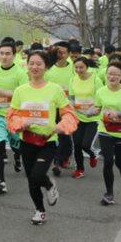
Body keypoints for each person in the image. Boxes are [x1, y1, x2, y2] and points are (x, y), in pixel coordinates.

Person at [7, 50, 78, 225]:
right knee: (31, 180)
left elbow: (69, 113)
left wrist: (60, 126)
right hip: (27, 141)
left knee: (38, 175)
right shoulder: (20, 90)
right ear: (27, 65)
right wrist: (20, 123)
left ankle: (49, 184)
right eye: (31, 63)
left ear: (46, 67)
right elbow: (12, 115)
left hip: (48, 141)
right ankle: (40, 210)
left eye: (39, 64)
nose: (34, 67)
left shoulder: (55, 89)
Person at [0, 40, 27, 195]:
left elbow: (24, 95)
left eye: (8, 54)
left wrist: (6, 94)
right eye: (1, 53)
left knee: (17, 146)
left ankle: (17, 156)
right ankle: (1, 181)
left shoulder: (21, 74)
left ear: (14, 55)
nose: (4, 57)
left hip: (15, 116)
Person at [93, 61, 121, 205]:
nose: (112, 77)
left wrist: (118, 113)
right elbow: (97, 108)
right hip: (105, 130)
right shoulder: (100, 92)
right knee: (108, 161)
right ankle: (109, 193)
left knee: (119, 162)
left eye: (115, 74)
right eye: (109, 74)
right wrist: (90, 111)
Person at [69, 57, 103, 179]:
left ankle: (93, 154)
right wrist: (72, 106)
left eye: (81, 67)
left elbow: (101, 98)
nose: (78, 70)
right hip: (78, 117)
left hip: (93, 118)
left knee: (85, 144)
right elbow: (71, 97)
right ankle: (79, 169)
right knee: (77, 144)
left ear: (87, 67)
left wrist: (94, 110)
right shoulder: (73, 79)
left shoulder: (96, 79)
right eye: (76, 67)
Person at [45, 42, 74, 175]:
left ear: (68, 54)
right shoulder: (49, 69)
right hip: (52, 108)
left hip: (68, 108)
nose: (60, 55)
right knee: (56, 134)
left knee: (65, 136)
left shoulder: (74, 68)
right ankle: (57, 162)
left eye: (63, 52)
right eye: (58, 52)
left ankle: (63, 158)